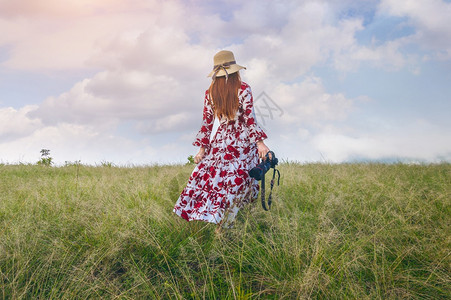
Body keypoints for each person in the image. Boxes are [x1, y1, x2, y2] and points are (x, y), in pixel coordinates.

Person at [173, 50, 270, 229]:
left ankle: (221, 220)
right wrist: (260, 142)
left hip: (221, 142)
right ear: (235, 71)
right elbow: (249, 119)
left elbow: (207, 124)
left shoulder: (210, 92)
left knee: (218, 180)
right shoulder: (243, 89)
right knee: (242, 179)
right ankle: (230, 223)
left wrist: (202, 150)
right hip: (242, 143)